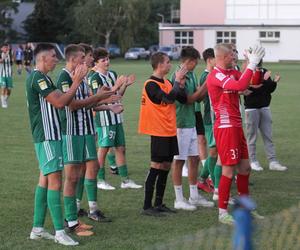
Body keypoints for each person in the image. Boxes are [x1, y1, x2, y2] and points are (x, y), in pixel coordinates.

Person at [26, 43, 87, 246]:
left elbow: (60, 99)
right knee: (55, 182)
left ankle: (37, 229)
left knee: (44, 180)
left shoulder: (44, 78)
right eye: (53, 56)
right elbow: (60, 103)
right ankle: (60, 232)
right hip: (47, 137)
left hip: (51, 136)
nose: (56, 59)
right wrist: (76, 82)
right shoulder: (37, 78)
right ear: (43, 58)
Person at [57, 44, 118, 236]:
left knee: (83, 173)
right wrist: (100, 97)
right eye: (83, 59)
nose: (87, 61)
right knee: (72, 176)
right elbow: (72, 105)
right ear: (74, 60)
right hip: (72, 133)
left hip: (85, 132)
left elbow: (90, 104)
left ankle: (77, 216)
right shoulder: (65, 77)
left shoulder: (80, 78)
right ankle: (70, 220)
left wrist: (107, 103)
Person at [206, 43, 265, 225]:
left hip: (236, 126)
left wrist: (250, 63)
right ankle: (223, 213)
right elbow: (240, 86)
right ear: (223, 58)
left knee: (245, 168)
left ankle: (244, 207)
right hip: (225, 127)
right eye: (233, 55)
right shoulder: (215, 75)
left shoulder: (232, 72)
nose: (235, 57)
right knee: (229, 170)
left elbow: (251, 83)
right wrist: (251, 65)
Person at [138, 52, 187, 216]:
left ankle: (158, 203)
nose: (170, 64)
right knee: (156, 166)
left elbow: (182, 98)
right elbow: (168, 99)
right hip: (158, 131)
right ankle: (147, 206)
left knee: (166, 166)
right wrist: (176, 82)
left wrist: (179, 84)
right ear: (159, 65)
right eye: (167, 62)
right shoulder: (150, 84)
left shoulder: (166, 81)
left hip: (169, 130)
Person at [89, 48, 142, 190]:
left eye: (107, 59)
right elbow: (97, 99)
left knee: (121, 148)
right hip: (104, 119)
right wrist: (117, 85)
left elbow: (118, 95)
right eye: (103, 60)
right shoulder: (94, 78)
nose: (107, 62)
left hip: (117, 117)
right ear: (96, 63)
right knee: (104, 148)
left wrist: (124, 85)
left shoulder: (112, 74)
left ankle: (125, 180)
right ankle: (100, 180)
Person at [172, 46, 214, 211]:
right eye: (195, 62)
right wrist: (208, 82)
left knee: (194, 159)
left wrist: (206, 87)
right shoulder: (178, 76)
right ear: (188, 61)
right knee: (179, 160)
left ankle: (194, 195)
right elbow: (188, 100)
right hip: (180, 123)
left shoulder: (191, 74)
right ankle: (179, 199)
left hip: (191, 122)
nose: (196, 65)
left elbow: (198, 97)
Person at [244, 60, 287, 171]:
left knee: (268, 136)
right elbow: (251, 88)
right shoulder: (247, 72)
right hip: (251, 108)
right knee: (252, 137)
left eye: (260, 60)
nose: (259, 63)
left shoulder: (265, 71)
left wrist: (274, 82)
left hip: (265, 107)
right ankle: (253, 161)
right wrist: (264, 81)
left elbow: (269, 89)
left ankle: (273, 162)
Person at [197, 48, 221, 196]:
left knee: (216, 151)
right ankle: (210, 180)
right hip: (210, 119)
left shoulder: (215, 74)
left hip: (217, 118)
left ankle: (204, 178)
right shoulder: (205, 76)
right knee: (214, 151)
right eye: (216, 58)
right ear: (209, 60)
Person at [0, 43, 13, 108]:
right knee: (3, 87)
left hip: (9, 75)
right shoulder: (0, 54)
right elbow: (1, 61)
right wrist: (5, 55)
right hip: (2, 74)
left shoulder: (10, 54)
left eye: (6, 47)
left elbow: (11, 63)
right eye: (4, 47)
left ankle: (5, 100)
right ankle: (3, 103)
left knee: (9, 90)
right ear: (1, 49)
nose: (6, 48)